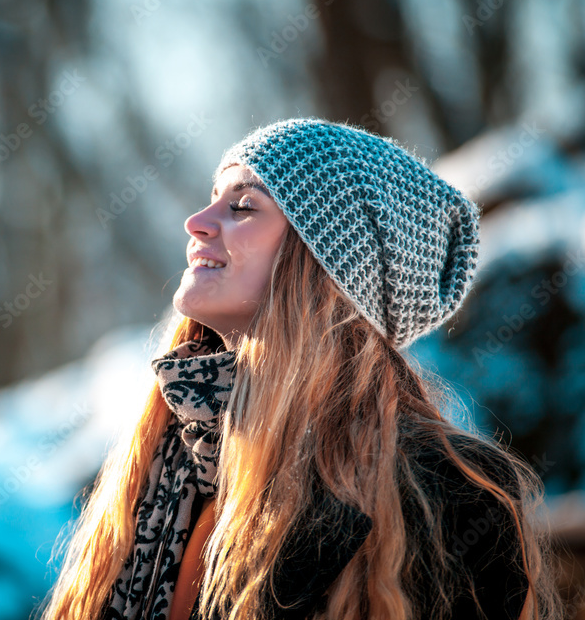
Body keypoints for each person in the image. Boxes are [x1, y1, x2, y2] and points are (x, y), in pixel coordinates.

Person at [38, 118, 564, 620]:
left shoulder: (447, 495)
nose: (196, 222)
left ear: (327, 265)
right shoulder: (166, 461)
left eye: (243, 206)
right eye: (214, 197)